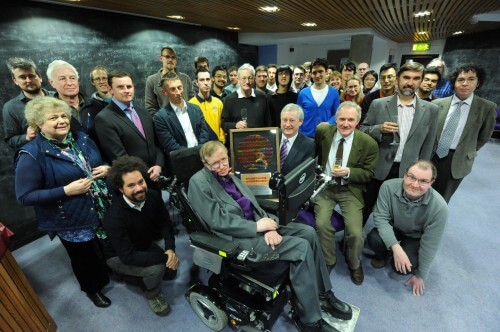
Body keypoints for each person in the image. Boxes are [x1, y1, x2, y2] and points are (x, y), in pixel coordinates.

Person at [188, 141, 353, 332]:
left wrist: (269, 227)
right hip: (237, 239)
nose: (222, 166)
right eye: (215, 164)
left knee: (308, 232)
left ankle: (323, 295)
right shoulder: (198, 183)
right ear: (204, 163)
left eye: (224, 159)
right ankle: (309, 320)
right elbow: (218, 222)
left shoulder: (229, 175)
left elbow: (252, 205)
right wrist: (257, 227)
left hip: (259, 225)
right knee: (301, 248)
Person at [15, 96, 112, 308]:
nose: (61, 121)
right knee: (83, 257)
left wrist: (106, 167)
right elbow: (25, 196)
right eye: (53, 118)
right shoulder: (31, 154)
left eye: (63, 116)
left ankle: (108, 271)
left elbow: (98, 160)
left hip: (98, 206)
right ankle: (92, 289)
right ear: (39, 123)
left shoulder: (82, 138)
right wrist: (66, 191)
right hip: (69, 217)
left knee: (101, 246)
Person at [361, 62, 438, 224]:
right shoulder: (379, 104)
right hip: (379, 167)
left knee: (396, 213)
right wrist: (379, 129)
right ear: (397, 79)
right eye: (406, 77)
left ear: (421, 81)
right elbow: (363, 129)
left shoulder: (431, 110)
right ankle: (352, 242)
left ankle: (386, 245)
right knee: (365, 207)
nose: (410, 82)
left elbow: (429, 144)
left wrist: (423, 171)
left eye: (416, 78)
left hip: (408, 171)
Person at [103, 156, 179, 316]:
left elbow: (166, 224)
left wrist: (170, 249)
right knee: (158, 269)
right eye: (131, 185)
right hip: (119, 256)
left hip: (142, 244)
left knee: (171, 271)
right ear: (120, 189)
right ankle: (153, 294)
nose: (139, 188)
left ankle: (146, 274)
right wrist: (165, 258)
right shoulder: (113, 217)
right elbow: (128, 257)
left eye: (140, 182)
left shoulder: (153, 196)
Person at [314, 102, 378, 284]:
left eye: (351, 120)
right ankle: (328, 260)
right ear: (336, 119)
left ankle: (354, 263)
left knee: (356, 232)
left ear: (358, 121)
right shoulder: (323, 133)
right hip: (325, 188)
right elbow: (315, 155)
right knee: (322, 223)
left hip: (350, 189)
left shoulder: (368, 144)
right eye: (342, 119)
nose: (345, 124)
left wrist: (348, 172)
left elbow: (368, 173)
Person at [367, 160, 448, 296]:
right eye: (411, 177)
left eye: (423, 181)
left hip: (415, 237)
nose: (415, 185)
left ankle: (400, 254)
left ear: (431, 183)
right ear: (405, 175)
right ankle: (384, 255)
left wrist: (421, 275)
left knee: (402, 269)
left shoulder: (440, 208)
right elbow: (381, 219)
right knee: (374, 239)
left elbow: (430, 244)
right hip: (393, 228)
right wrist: (396, 248)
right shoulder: (388, 187)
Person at [432, 63, 496, 203]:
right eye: (460, 79)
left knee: (442, 199)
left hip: (458, 159)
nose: (465, 84)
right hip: (433, 155)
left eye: (471, 79)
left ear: (478, 83)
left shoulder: (486, 108)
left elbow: (484, 137)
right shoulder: (438, 104)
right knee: (422, 191)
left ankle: (432, 224)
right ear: (454, 82)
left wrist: (467, 149)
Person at [94, 70, 164, 185]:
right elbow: (119, 156)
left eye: (129, 86)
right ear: (110, 89)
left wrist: (159, 165)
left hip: (156, 176)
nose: (126, 90)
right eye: (121, 87)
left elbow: (156, 144)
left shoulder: (143, 112)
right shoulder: (104, 119)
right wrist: (143, 175)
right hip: (134, 182)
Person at [154, 72, 210, 173]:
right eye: (173, 89)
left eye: (180, 87)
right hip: (182, 165)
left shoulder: (196, 109)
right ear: (164, 92)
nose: (178, 92)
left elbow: (204, 133)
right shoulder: (160, 117)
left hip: (204, 160)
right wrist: (192, 156)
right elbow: (171, 145)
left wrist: (201, 154)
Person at [3, 57, 54, 149]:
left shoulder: (57, 97)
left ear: (40, 77)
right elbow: (10, 140)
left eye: (31, 76)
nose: (28, 80)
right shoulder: (10, 108)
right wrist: (26, 137)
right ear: (15, 81)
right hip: (38, 158)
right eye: (22, 77)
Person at [221, 63, 271, 135]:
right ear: (238, 79)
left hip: (259, 142)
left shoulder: (262, 97)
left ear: (254, 79)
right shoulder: (229, 99)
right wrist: (235, 125)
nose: (247, 82)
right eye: (244, 78)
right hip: (238, 142)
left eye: (249, 78)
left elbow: (268, 123)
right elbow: (223, 124)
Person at [145, 46, 195, 116]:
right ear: (161, 58)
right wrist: (162, 121)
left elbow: (192, 101)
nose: (170, 60)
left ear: (176, 60)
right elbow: (150, 108)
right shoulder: (152, 80)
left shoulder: (185, 78)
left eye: (173, 57)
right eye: (167, 57)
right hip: (165, 122)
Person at [297, 58, 340, 138]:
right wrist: (300, 133)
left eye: (320, 71)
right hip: (306, 137)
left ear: (326, 72)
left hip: (326, 136)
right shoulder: (303, 93)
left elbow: (337, 114)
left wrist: (329, 123)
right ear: (311, 74)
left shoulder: (334, 93)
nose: (317, 75)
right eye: (314, 72)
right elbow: (298, 115)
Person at [47, 60, 86, 132]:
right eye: (62, 78)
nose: (69, 83)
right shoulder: (47, 112)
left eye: (72, 78)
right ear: (52, 83)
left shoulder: (95, 105)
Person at [189, 68, 225, 143]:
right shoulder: (190, 104)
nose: (206, 83)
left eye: (208, 79)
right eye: (202, 80)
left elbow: (222, 125)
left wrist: (222, 141)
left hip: (217, 145)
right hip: (200, 147)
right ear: (196, 82)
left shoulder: (218, 103)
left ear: (211, 81)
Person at [279, 103, 314, 175]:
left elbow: (304, 174)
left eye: (292, 120)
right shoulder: (271, 137)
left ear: (300, 122)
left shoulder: (308, 145)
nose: (288, 124)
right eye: (284, 120)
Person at [80, 66, 112, 143]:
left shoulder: (121, 100)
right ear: (92, 82)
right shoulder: (90, 106)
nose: (102, 81)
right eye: (97, 79)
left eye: (104, 78)